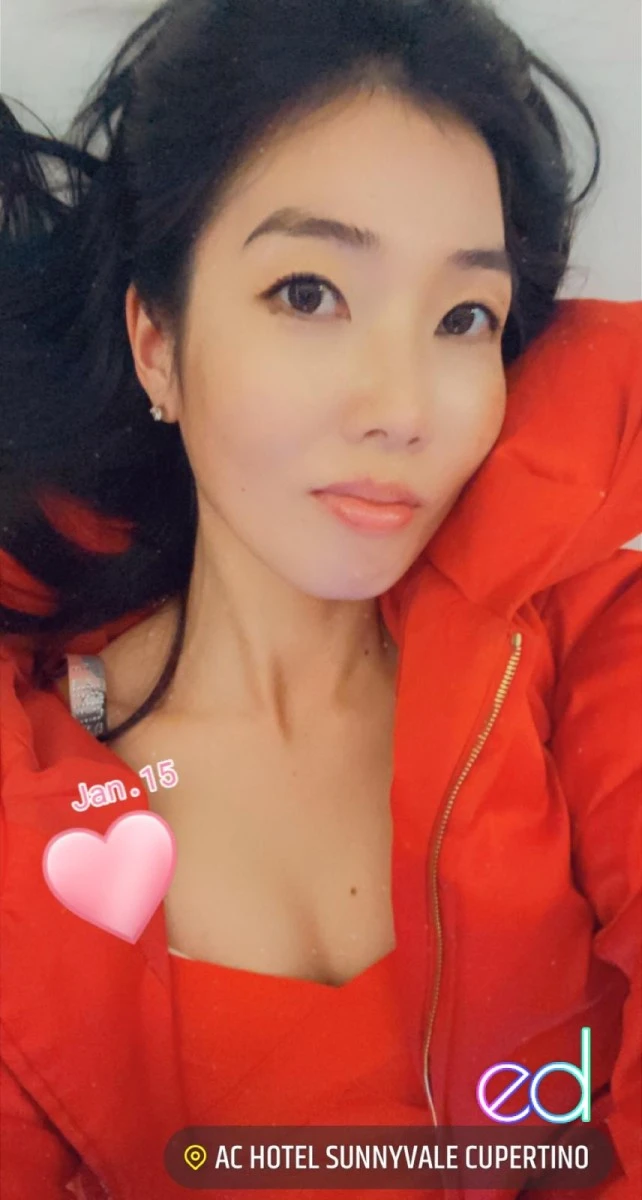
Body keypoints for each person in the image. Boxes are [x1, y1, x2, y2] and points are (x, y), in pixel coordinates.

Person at [0, 1, 640, 1197]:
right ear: (157, 344)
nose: (401, 406)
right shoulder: (31, 801)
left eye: (463, 318)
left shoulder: (575, 659)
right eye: (308, 293)